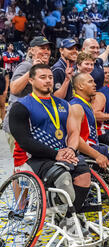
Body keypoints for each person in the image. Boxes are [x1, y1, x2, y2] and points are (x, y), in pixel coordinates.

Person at [9, 64, 91, 236]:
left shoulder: (63, 104)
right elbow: (24, 141)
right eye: (43, 77)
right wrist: (56, 154)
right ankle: (68, 219)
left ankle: (68, 217)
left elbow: (74, 132)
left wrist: (70, 148)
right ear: (31, 80)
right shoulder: (21, 106)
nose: (48, 81)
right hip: (34, 158)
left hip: (61, 155)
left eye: (50, 77)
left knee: (84, 174)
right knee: (63, 177)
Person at [70, 73, 109, 169]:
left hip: (94, 145)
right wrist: (97, 155)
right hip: (86, 151)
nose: (94, 84)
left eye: (94, 81)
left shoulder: (85, 103)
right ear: (80, 86)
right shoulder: (76, 106)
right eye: (90, 82)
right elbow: (75, 138)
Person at [3, 37, 52, 153]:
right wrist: (31, 70)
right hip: (18, 124)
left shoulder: (44, 69)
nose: (46, 51)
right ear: (31, 50)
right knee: (22, 164)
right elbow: (14, 89)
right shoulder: (26, 65)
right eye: (42, 48)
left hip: (32, 124)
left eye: (48, 49)